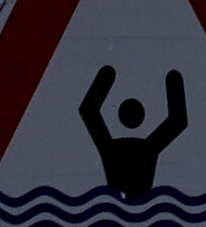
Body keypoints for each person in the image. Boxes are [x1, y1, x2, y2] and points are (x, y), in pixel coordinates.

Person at [79, 64, 189, 199]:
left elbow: (88, 112)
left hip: (112, 209)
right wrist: (174, 79)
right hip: (144, 208)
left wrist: (107, 75)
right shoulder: (149, 148)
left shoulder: (110, 148)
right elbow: (177, 121)